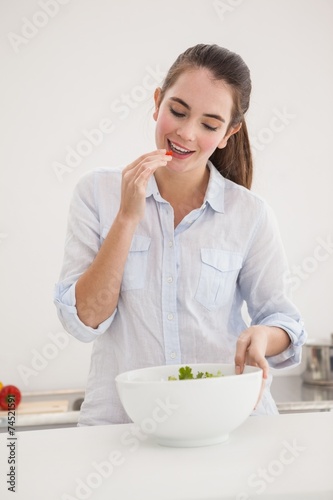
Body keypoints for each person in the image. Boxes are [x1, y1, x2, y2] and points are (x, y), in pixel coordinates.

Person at [54, 44, 306, 426]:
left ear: (228, 132)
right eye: (177, 111)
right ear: (157, 103)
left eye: (209, 124)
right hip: (124, 429)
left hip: (226, 422)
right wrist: (126, 217)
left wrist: (263, 337)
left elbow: (284, 321)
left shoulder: (249, 214)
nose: (186, 133)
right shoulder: (97, 195)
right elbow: (84, 320)